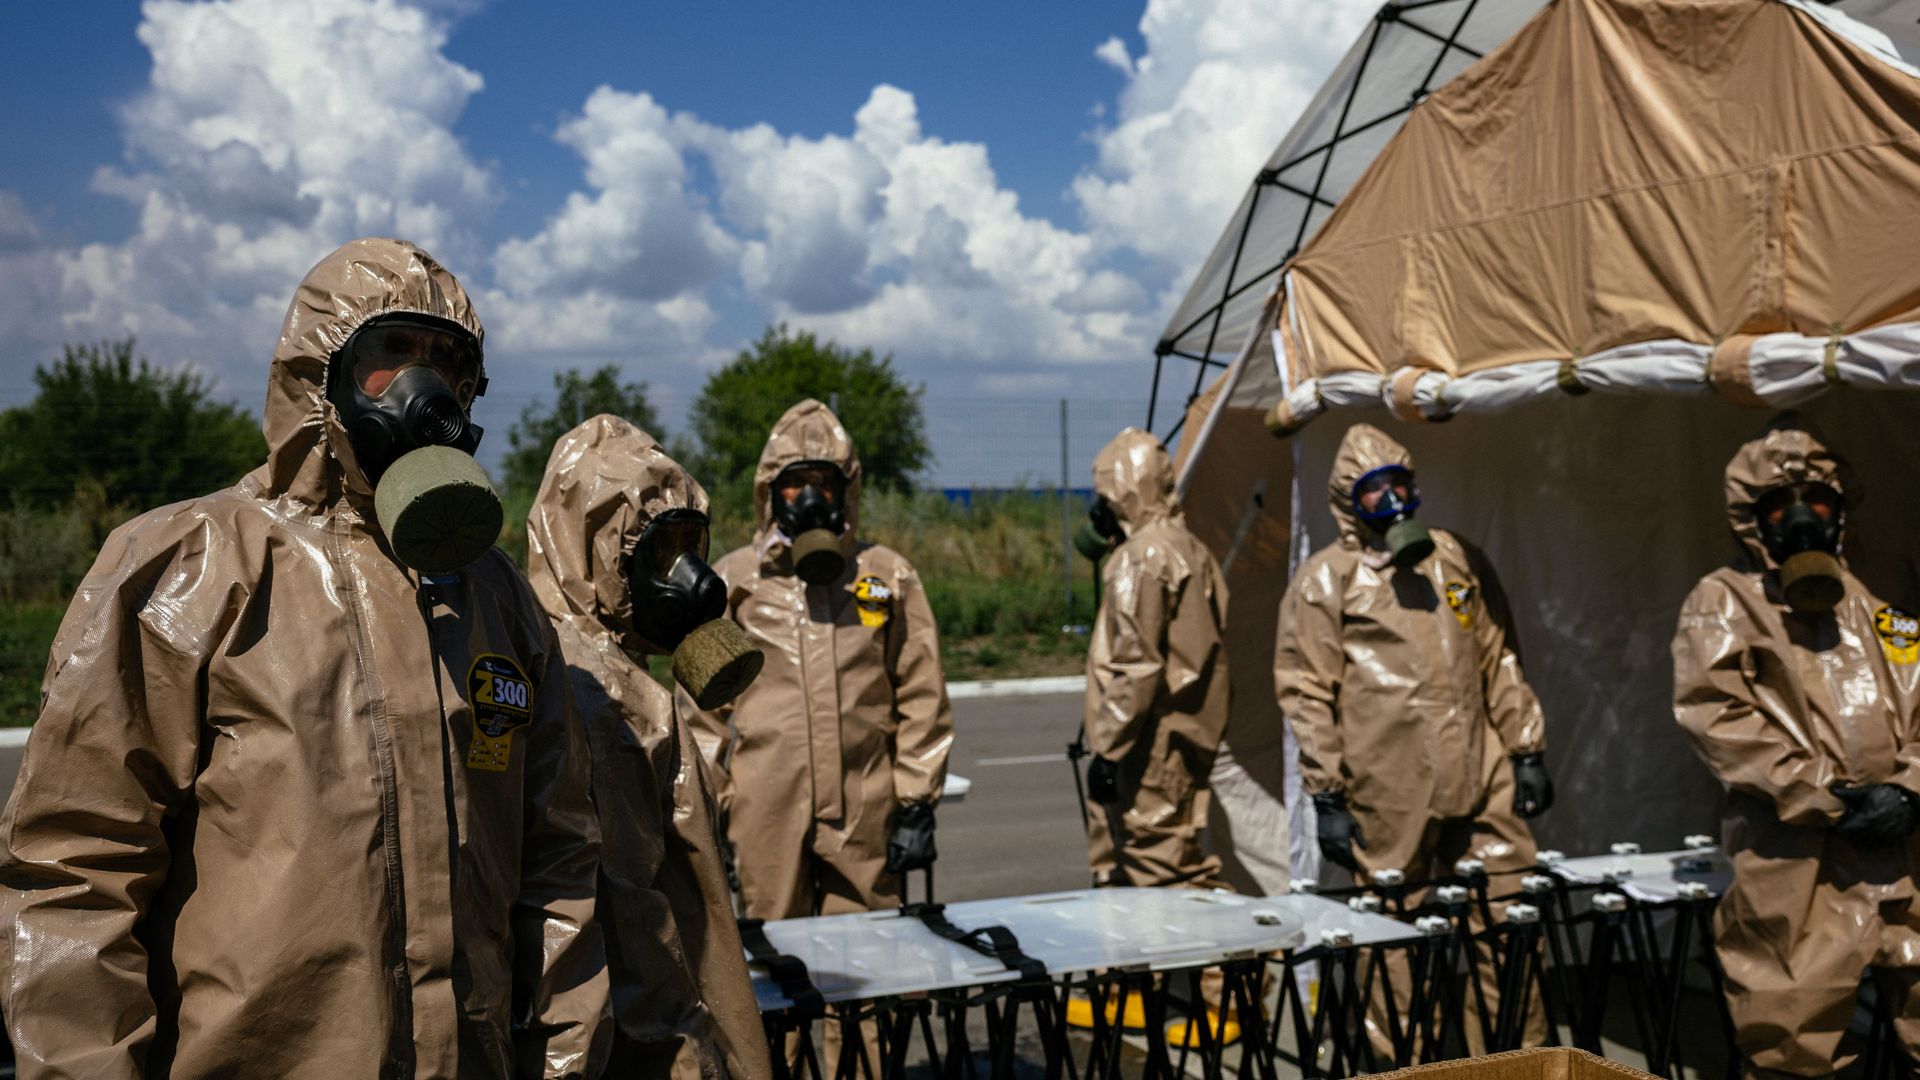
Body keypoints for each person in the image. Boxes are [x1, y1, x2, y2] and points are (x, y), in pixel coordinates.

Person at [0, 238, 608, 1078]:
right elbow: (77, 867)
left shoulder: (496, 599)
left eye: (448, 363)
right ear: (319, 371)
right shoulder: (193, 566)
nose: (423, 387)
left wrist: (565, 1059)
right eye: (391, 353)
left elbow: (559, 860)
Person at [1275, 422, 1549, 1055]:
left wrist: (1526, 747)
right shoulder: (1326, 581)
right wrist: (1328, 796)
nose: (1393, 500)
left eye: (1402, 483)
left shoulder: (1453, 559)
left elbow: (1498, 657)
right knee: (1391, 936)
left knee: (1505, 918)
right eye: (1375, 489)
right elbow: (1306, 691)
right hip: (1388, 786)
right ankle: (1407, 1062)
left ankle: (1516, 1059)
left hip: (1482, 773)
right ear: (1348, 499)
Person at [1672, 417, 1920, 1078]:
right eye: (1780, 505)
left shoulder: (1876, 603)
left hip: (1907, 852)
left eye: (1818, 502)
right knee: (1793, 1040)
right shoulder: (1723, 602)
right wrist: (1826, 796)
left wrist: (1908, 787)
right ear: (1752, 520)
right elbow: (1718, 720)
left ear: (1842, 511)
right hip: (1797, 860)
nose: (1802, 518)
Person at [527, 414, 773, 1078]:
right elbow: (630, 914)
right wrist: (685, 1047)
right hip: (641, 1039)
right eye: (660, 552)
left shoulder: (595, 667)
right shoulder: (598, 693)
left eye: (693, 544)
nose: (694, 578)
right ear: (594, 548)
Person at [681, 398, 952, 922]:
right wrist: (711, 809)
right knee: (779, 959)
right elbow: (701, 713)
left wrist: (917, 802)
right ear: (769, 490)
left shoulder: (885, 576)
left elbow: (922, 692)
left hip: (867, 806)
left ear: (845, 488)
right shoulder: (736, 581)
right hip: (766, 806)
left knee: (872, 958)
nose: (807, 496)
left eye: (822, 482)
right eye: (793, 481)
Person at [1070, 426, 1234, 1044]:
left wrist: (1109, 749)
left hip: (1147, 746)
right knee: (1131, 869)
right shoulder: (1193, 548)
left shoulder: (1140, 558)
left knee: (1169, 875)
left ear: (1121, 492)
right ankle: (1129, 991)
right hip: (1180, 738)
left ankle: (1226, 998)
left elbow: (1135, 664)